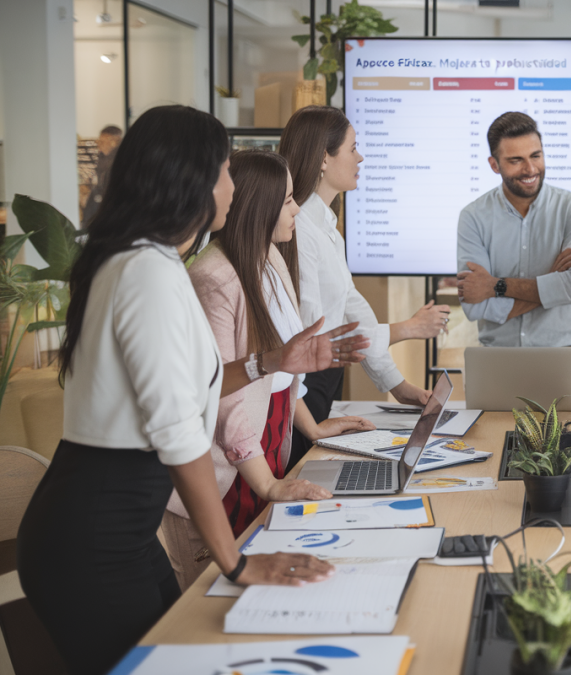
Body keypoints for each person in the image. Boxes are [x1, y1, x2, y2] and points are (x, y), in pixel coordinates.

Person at [16, 106, 352, 675]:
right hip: (95, 538)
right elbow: (179, 435)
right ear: (189, 179)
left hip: (118, 529)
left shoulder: (148, 261)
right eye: (223, 170)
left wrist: (270, 361)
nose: (231, 185)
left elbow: (202, 385)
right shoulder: (146, 272)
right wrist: (236, 563)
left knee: (190, 651)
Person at [162, 151, 377, 590]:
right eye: (287, 201)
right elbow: (225, 399)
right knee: (212, 602)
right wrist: (268, 485)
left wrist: (311, 428)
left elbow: (283, 368)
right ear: (258, 208)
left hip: (264, 458)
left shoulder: (272, 257)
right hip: (225, 476)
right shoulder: (214, 279)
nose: (297, 209)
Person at [279, 106, 444, 470]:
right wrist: (408, 329)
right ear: (324, 157)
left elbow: (353, 308)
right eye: (353, 148)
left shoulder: (325, 224)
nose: (361, 157)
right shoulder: (300, 229)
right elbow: (306, 337)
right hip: (301, 392)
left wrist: (398, 386)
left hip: (319, 385)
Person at [456, 112, 571, 346]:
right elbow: (474, 306)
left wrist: (496, 286)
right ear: (495, 165)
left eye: (536, 156)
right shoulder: (473, 217)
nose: (530, 169)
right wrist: (551, 284)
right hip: (497, 358)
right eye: (516, 160)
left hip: (561, 355)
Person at [82, 125, 123, 227]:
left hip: (111, 203)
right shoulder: (103, 157)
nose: (98, 144)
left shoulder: (119, 160)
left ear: (113, 141)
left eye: (102, 142)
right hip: (101, 198)